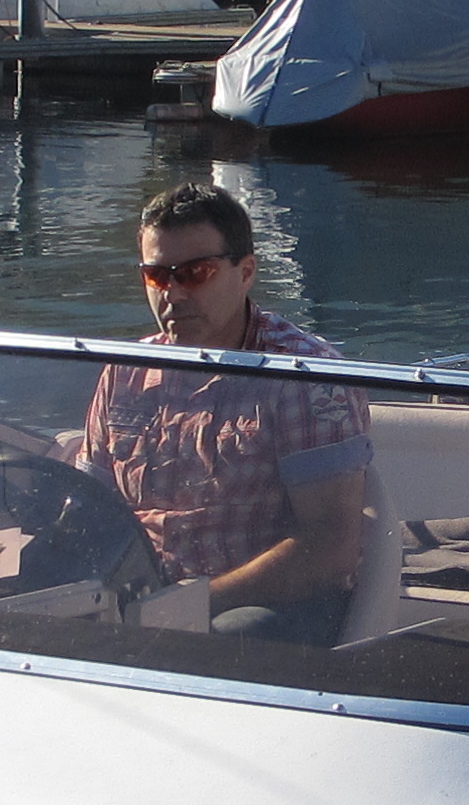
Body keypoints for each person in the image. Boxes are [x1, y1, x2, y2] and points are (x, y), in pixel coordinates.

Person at [73, 182, 374, 647]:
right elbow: (88, 508)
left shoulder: (306, 377)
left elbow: (331, 547)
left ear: (246, 271)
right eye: (157, 276)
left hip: (267, 604)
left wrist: (191, 603)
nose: (173, 294)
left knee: (206, 646)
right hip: (140, 597)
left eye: (194, 273)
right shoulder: (124, 371)